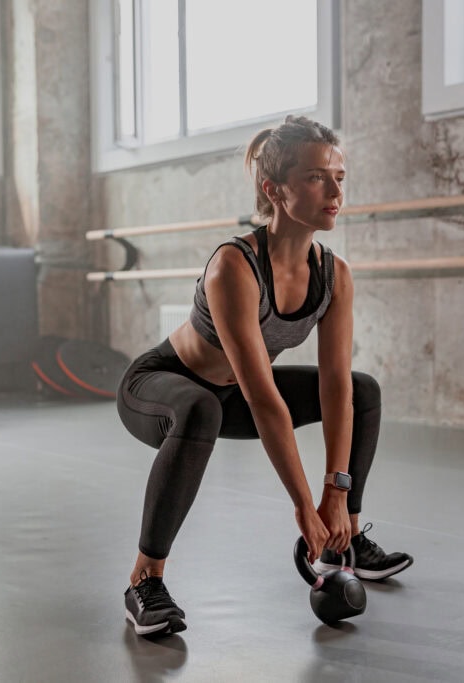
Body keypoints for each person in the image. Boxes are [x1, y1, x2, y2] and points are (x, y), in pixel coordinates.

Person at [116, 115, 413, 637]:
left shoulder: (333, 274)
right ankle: (145, 580)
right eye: (317, 177)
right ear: (273, 189)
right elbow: (264, 398)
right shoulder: (234, 266)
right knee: (200, 407)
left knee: (363, 390)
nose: (335, 190)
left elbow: (336, 386)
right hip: (161, 386)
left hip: (231, 396)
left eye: (340, 176)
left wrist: (335, 496)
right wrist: (303, 505)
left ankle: (344, 540)